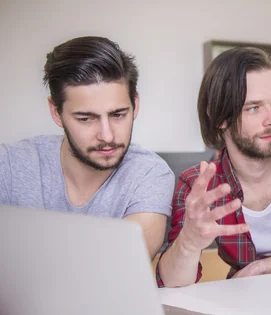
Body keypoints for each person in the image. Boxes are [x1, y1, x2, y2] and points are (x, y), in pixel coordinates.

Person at [156, 47, 271, 287]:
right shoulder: (198, 184)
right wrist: (189, 242)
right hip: (247, 298)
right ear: (219, 117)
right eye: (253, 107)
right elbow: (172, 285)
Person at [0, 36, 174, 259]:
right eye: (85, 119)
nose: (107, 135)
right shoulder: (9, 166)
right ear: (56, 112)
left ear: (135, 105)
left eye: (118, 115)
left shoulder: (149, 173)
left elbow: (121, 266)